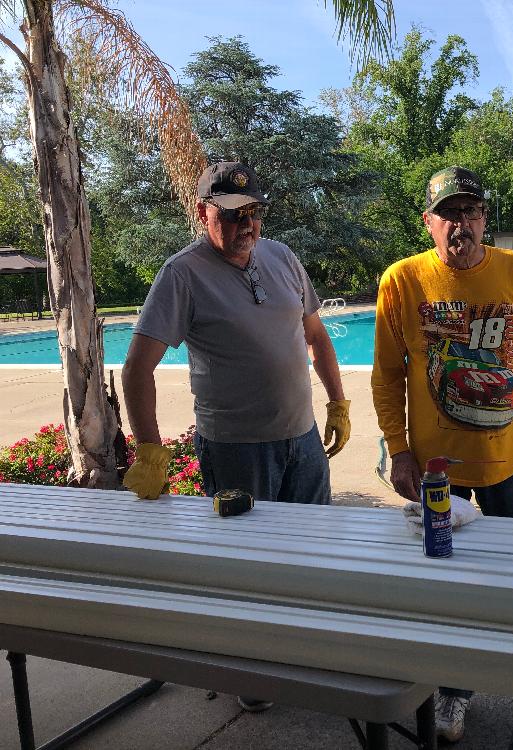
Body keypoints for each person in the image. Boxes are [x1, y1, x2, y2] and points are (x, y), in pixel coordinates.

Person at [122, 162, 352, 709]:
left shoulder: (282, 257)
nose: (245, 224)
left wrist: (338, 402)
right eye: (229, 214)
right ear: (203, 213)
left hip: (303, 441)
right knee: (246, 570)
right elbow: (136, 370)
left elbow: (315, 335)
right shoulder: (182, 274)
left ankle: (305, 652)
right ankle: (251, 673)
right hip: (237, 450)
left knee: (310, 555)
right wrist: (150, 450)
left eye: (252, 212)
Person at [371, 165, 513, 743]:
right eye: (448, 213)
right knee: (446, 584)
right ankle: (454, 690)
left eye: (470, 211)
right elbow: (388, 376)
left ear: (485, 217)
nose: (459, 223)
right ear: (428, 223)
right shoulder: (403, 281)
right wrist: (399, 450)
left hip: (511, 463)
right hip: (438, 474)